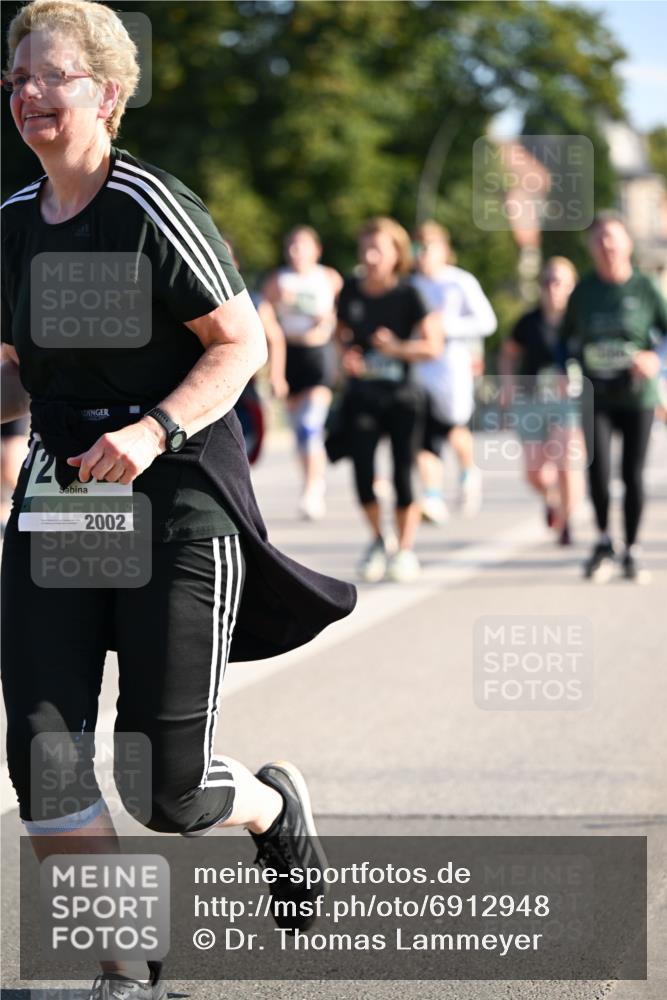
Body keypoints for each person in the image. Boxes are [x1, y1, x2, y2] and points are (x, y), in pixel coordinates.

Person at [0, 3, 356, 998]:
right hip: (66, 505)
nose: (26, 92)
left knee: (167, 787)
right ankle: (125, 971)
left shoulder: (151, 206)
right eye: (14, 76)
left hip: (176, 502)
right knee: (48, 754)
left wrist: (153, 428)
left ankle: (268, 808)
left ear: (109, 94)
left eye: (49, 75)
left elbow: (241, 344)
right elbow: (17, 372)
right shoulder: (12, 226)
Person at [559, 212, 667, 581]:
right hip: (596, 396)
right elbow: (565, 341)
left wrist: (655, 358)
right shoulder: (584, 291)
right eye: (599, 240)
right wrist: (564, 368)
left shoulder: (646, 287)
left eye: (613, 238)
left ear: (627, 244)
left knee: (632, 474)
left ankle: (633, 549)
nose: (606, 246)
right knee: (599, 470)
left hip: (637, 396)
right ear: (591, 248)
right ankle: (604, 540)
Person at [335, 217, 442, 583]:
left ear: (396, 253)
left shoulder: (410, 294)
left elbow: (433, 345)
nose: (370, 255)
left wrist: (397, 348)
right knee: (363, 472)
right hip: (363, 395)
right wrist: (347, 357)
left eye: (378, 248)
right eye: (365, 247)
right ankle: (380, 540)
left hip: (402, 397)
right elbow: (341, 336)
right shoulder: (350, 290)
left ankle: (405, 550)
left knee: (402, 474)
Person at [411, 221, 497, 522]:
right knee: (422, 430)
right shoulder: (410, 285)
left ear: (444, 250)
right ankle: (432, 496)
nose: (421, 254)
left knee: (453, 426)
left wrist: (447, 328)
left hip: (452, 366)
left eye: (428, 247)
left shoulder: (459, 281)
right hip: (420, 366)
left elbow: (487, 322)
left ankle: (467, 469)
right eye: (417, 247)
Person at [500, 257, 585, 545]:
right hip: (532, 400)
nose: (553, 287)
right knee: (535, 473)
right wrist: (509, 386)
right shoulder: (528, 322)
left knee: (566, 464)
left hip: (569, 403)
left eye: (559, 281)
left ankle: (566, 522)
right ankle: (552, 498)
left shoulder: (581, 322)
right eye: (547, 281)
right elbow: (508, 353)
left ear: (572, 287)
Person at [262, 226, 342, 520]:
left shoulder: (329, 278)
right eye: (291, 246)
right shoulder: (278, 280)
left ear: (316, 250)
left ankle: (312, 489)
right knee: (299, 432)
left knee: (311, 425)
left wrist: (328, 325)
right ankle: (312, 479)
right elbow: (266, 319)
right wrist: (275, 370)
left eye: (302, 245)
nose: (296, 251)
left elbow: (338, 316)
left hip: (318, 355)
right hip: (290, 355)